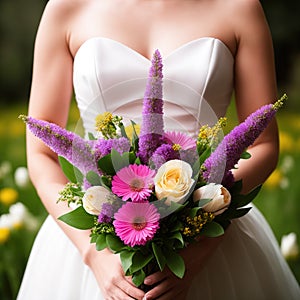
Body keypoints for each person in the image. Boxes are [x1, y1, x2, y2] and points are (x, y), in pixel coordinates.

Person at [17, 0, 300, 299]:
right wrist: (94, 253)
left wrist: (201, 237)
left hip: (211, 232)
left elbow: (263, 143)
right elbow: (41, 151)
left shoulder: (239, 7)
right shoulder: (67, 7)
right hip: (91, 238)